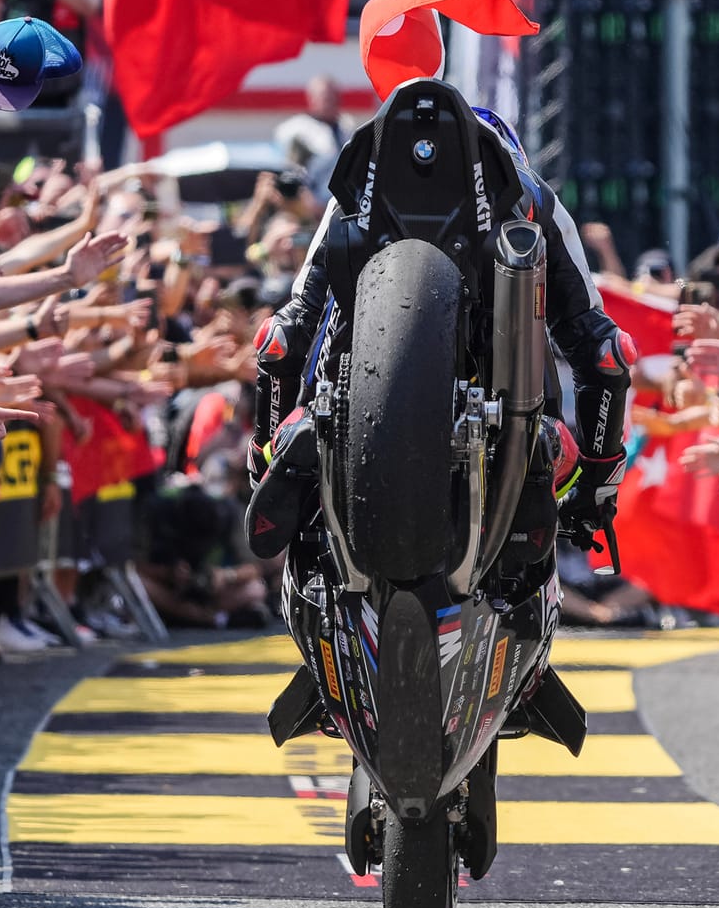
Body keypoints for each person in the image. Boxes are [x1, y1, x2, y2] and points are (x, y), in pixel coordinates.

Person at [245, 101, 631, 567]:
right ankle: (536, 452)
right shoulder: (533, 195)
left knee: (293, 342)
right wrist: (599, 483)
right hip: (500, 404)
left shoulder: (354, 189)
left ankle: (296, 435)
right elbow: (604, 350)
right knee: (564, 418)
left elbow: (283, 336)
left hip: (347, 389)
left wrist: (263, 459)